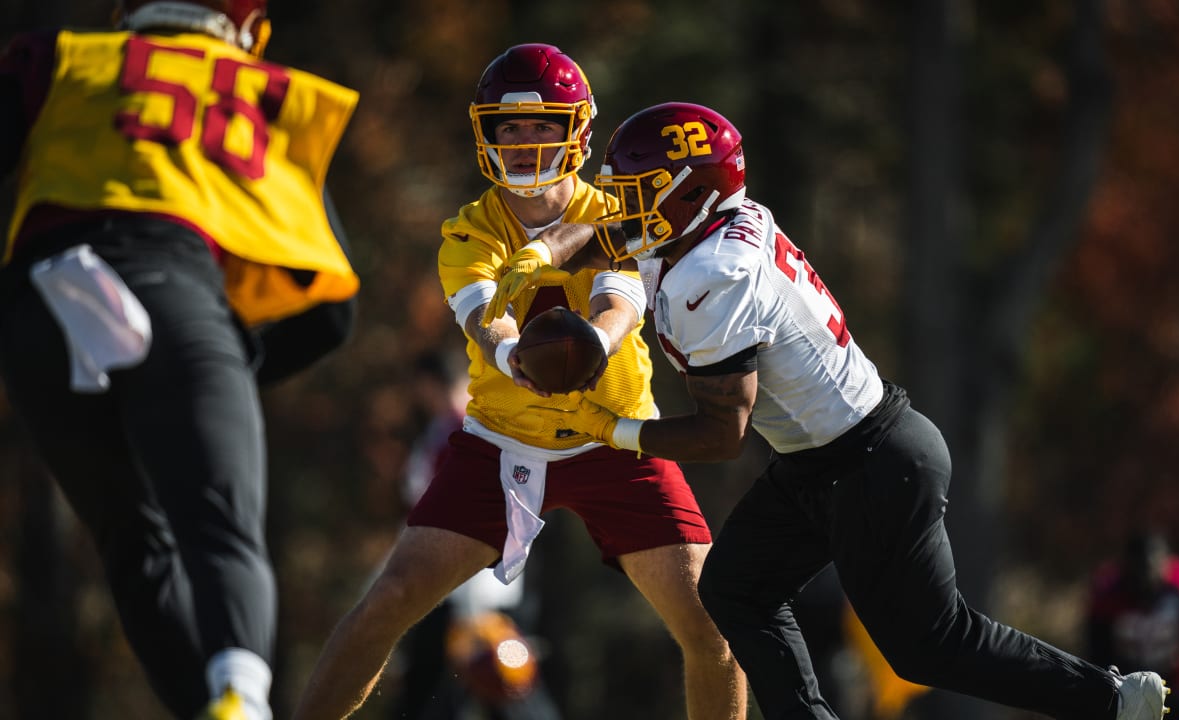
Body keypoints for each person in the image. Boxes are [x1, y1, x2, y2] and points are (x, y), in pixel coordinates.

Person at [486, 101, 1174, 720]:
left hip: (872, 464)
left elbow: (722, 434)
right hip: (823, 460)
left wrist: (612, 431)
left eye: (638, 195)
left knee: (931, 646)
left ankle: (1113, 701)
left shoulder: (710, 277)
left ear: (690, 193)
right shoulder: (717, 222)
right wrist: (546, 252)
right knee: (735, 590)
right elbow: (607, 231)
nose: (623, 210)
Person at [291, 45, 746, 720]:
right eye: (510, 128)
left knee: (713, 628)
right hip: (501, 445)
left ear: (578, 132)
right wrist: (517, 362)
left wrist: (592, 343)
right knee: (386, 602)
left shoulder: (617, 208)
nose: (526, 142)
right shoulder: (469, 230)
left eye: (542, 126)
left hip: (618, 443)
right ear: (487, 135)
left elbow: (619, 299)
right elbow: (486, 322)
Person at [0, 2, 360, 719]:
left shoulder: (58, 58)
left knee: (132, 542)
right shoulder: (265, 90)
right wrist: (211, 378)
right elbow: (330, 315)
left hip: (37, 297)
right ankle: (237, 698)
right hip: (170, 286)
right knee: (218, 525)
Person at [390, 350, 561, 720]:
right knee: (474, 684)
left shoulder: (464, 426)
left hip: (468, 580)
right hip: (459, 577)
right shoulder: (446, 427)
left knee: (497, 679)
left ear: (428, 385)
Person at [1087, 531, 1179, 720]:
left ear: (1166, 563)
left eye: (1151, 567)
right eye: (1139, 569)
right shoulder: (1108, 593)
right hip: (1129, 693)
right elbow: (1097, 653)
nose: (1146, 577)